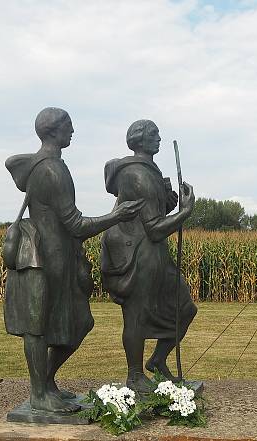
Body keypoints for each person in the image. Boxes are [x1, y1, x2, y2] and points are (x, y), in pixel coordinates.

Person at [3, 107, 143, 413]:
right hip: (42, 261)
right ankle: (39, 393)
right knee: (37, 327)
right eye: (68, 125)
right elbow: (76, 224)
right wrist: (116, 215)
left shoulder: (50, 166)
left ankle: (47, 382)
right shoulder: (52, 170)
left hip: (61, 259)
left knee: (80, 323)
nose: (73, 130)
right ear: (53, 131)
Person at [100, 119, 196, 392]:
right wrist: (185, 212)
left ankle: (157, 360)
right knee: (136, 316)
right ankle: (134, 375)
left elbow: (154, 214)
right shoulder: (136, 175)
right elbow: (153, 228)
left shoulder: (150, 172)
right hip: (137, 254)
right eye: (154, 134)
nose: (159, 138)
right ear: (139, 139)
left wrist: (169, 201)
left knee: (185, 308)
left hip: (156, 255)